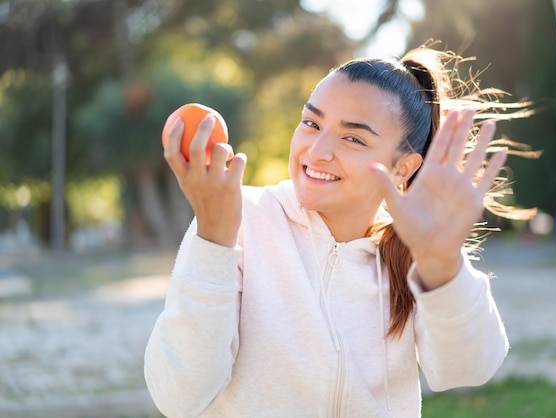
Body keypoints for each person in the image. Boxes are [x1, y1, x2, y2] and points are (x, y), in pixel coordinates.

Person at [145, 45, 514, 417]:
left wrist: (443, 265)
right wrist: (214, 239)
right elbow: (179, 397)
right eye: (312, 123)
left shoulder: (415, 246)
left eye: (353, 138)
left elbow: (469, 369)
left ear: (403, 167)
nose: (318, 150)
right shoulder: (236, 221)